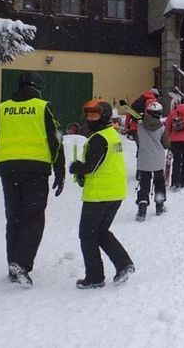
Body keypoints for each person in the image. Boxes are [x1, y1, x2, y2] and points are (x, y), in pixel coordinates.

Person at [0, 71, 66, 288]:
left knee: (15, 218)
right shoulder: (42, 107)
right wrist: (60, 170)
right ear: (37, 87)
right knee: (33, 218)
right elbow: (55, 140)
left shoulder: (2, 109)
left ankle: (13, 265)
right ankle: (22, 264)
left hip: (8, 169)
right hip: (35, 169)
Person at [68, 100, 135, 289]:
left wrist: (77, 168)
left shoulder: (98, 138)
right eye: (88, 115)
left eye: (94, 115)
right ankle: (123, 264)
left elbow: (91, 167)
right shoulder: (111, 134)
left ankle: (95, 277)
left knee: (87, 235)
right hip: (115, 192)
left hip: (99, 195)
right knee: (100, 232)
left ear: (104, 116)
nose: (90, 119)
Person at [134, 101, 170, 220]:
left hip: (144, 159)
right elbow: (166, 144)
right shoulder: (162, 128)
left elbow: (138, 140)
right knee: (159, 183)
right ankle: (159, 206)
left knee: (144, 184)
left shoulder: (140, 126)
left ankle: (142, 208)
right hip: (158, 160)